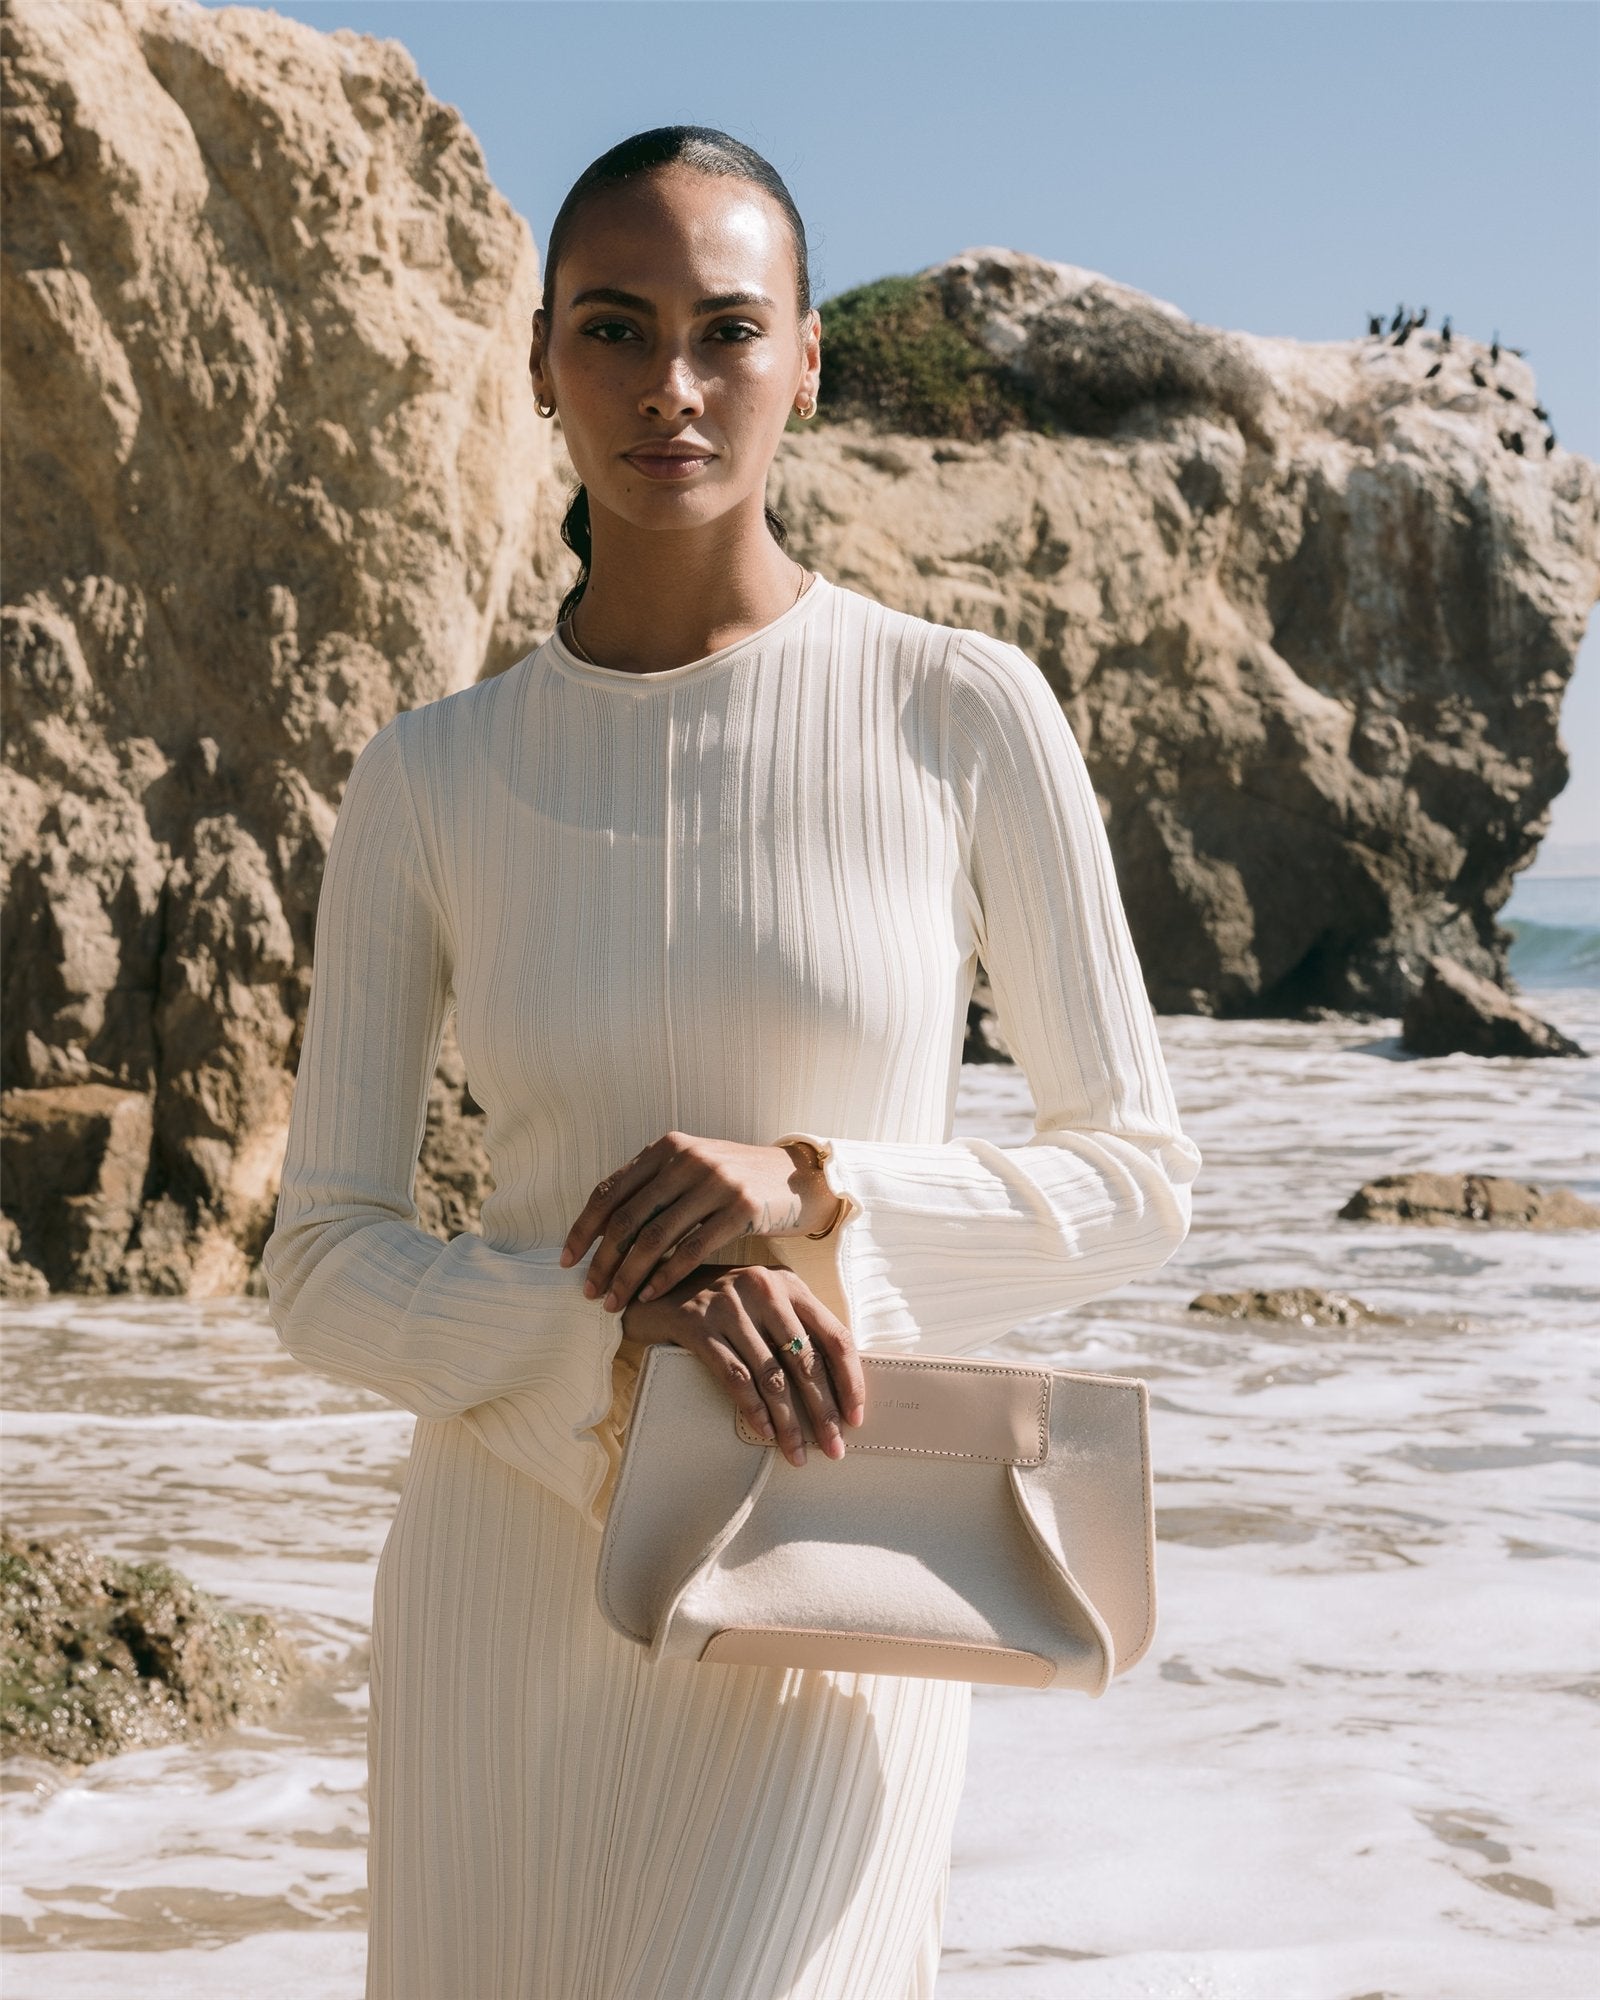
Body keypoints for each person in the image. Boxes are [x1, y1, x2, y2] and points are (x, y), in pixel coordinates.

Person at [262, 124, 1203, 2000]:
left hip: (824, 1572)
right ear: (540, 360)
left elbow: (1136, 1181)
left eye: (726, 330)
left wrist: (822, 1185)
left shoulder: (963, 707)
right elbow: (325, 1254)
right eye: (612, 329)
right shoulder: (431, 775)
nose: (669, 388)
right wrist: (616, 1336)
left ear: (806, 361)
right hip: (503, 1578)